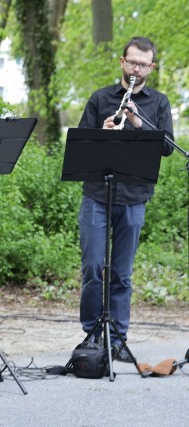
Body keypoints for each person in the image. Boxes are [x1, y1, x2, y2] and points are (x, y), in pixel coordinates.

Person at [77, 37, 174, 362]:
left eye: (143, 64)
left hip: (134, 197)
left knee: (122, 273)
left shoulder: (158, 103)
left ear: (152, 67)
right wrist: (103, 133)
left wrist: (136, 122)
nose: (137, 69)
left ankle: (117, 339)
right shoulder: (100, 98)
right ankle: (92, 334)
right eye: (132, 62)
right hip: (96, 196)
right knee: (92, 266)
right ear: (122, 61)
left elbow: (166, 148)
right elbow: (80, 145)